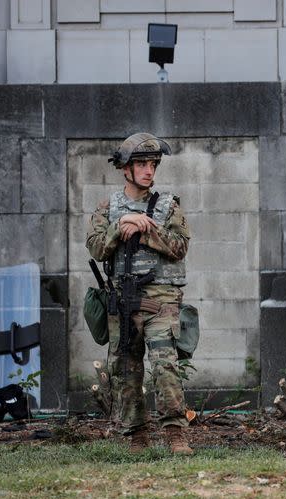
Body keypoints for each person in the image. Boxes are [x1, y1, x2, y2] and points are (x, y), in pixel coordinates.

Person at [86, 132, 193, 454]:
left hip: (161, 300)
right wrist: (120, 226)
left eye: (153, 164)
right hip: (123, 298)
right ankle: (137, 436)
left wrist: (147, 228)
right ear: (125, 169)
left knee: (165, 366)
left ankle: (176, 434)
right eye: (142, 164)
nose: (149, 171)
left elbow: (180, 248)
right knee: (125, 369)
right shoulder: (108, 208)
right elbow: (96, 248)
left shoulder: (168, 206)